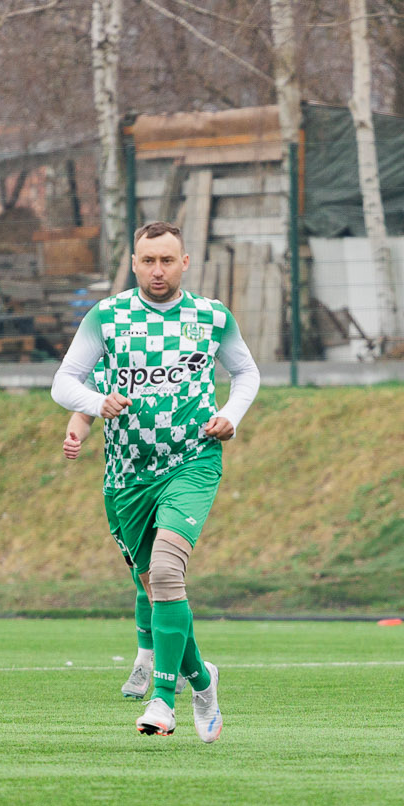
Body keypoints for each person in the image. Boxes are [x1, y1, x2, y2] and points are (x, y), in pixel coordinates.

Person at [50, 221, 261, 740]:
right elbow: (64, 382)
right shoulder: (108, 317)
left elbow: (246, 373)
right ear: (134, 263)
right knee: (153, 585)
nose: (158, 270)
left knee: (167, 572)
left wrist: (231, 415)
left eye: (167, 260)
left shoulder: (212, 316)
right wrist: (96, 403)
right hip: (128, 475)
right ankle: (202, 680)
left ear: (184, 262)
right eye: (148, 261)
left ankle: (163, 701)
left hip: (192, 461)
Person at [61, 406, 156, 700]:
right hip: (120, 487)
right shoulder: (103, 376)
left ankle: (151, 662)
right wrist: (73, 436)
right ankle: (171, 660)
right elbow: (83, 413)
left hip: (167, 480)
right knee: (142, 577)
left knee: (162, 574)